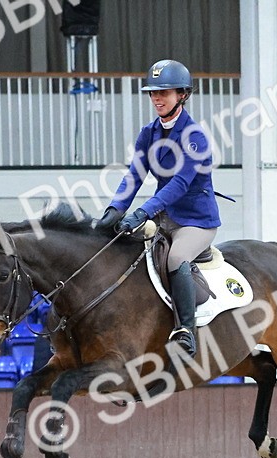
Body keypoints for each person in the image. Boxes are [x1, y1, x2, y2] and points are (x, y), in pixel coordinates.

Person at [97, 59, 221, 358]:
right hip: (165, 217)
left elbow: (179, 183)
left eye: (163, 93)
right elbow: (134, 175)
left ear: (182, 95)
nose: (156, 98)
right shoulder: (148, 133)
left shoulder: (195, 136)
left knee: (176, 258)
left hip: (196, 221)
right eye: (153, 93)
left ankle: (186, 332)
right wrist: (114, 210)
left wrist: (144, 211)